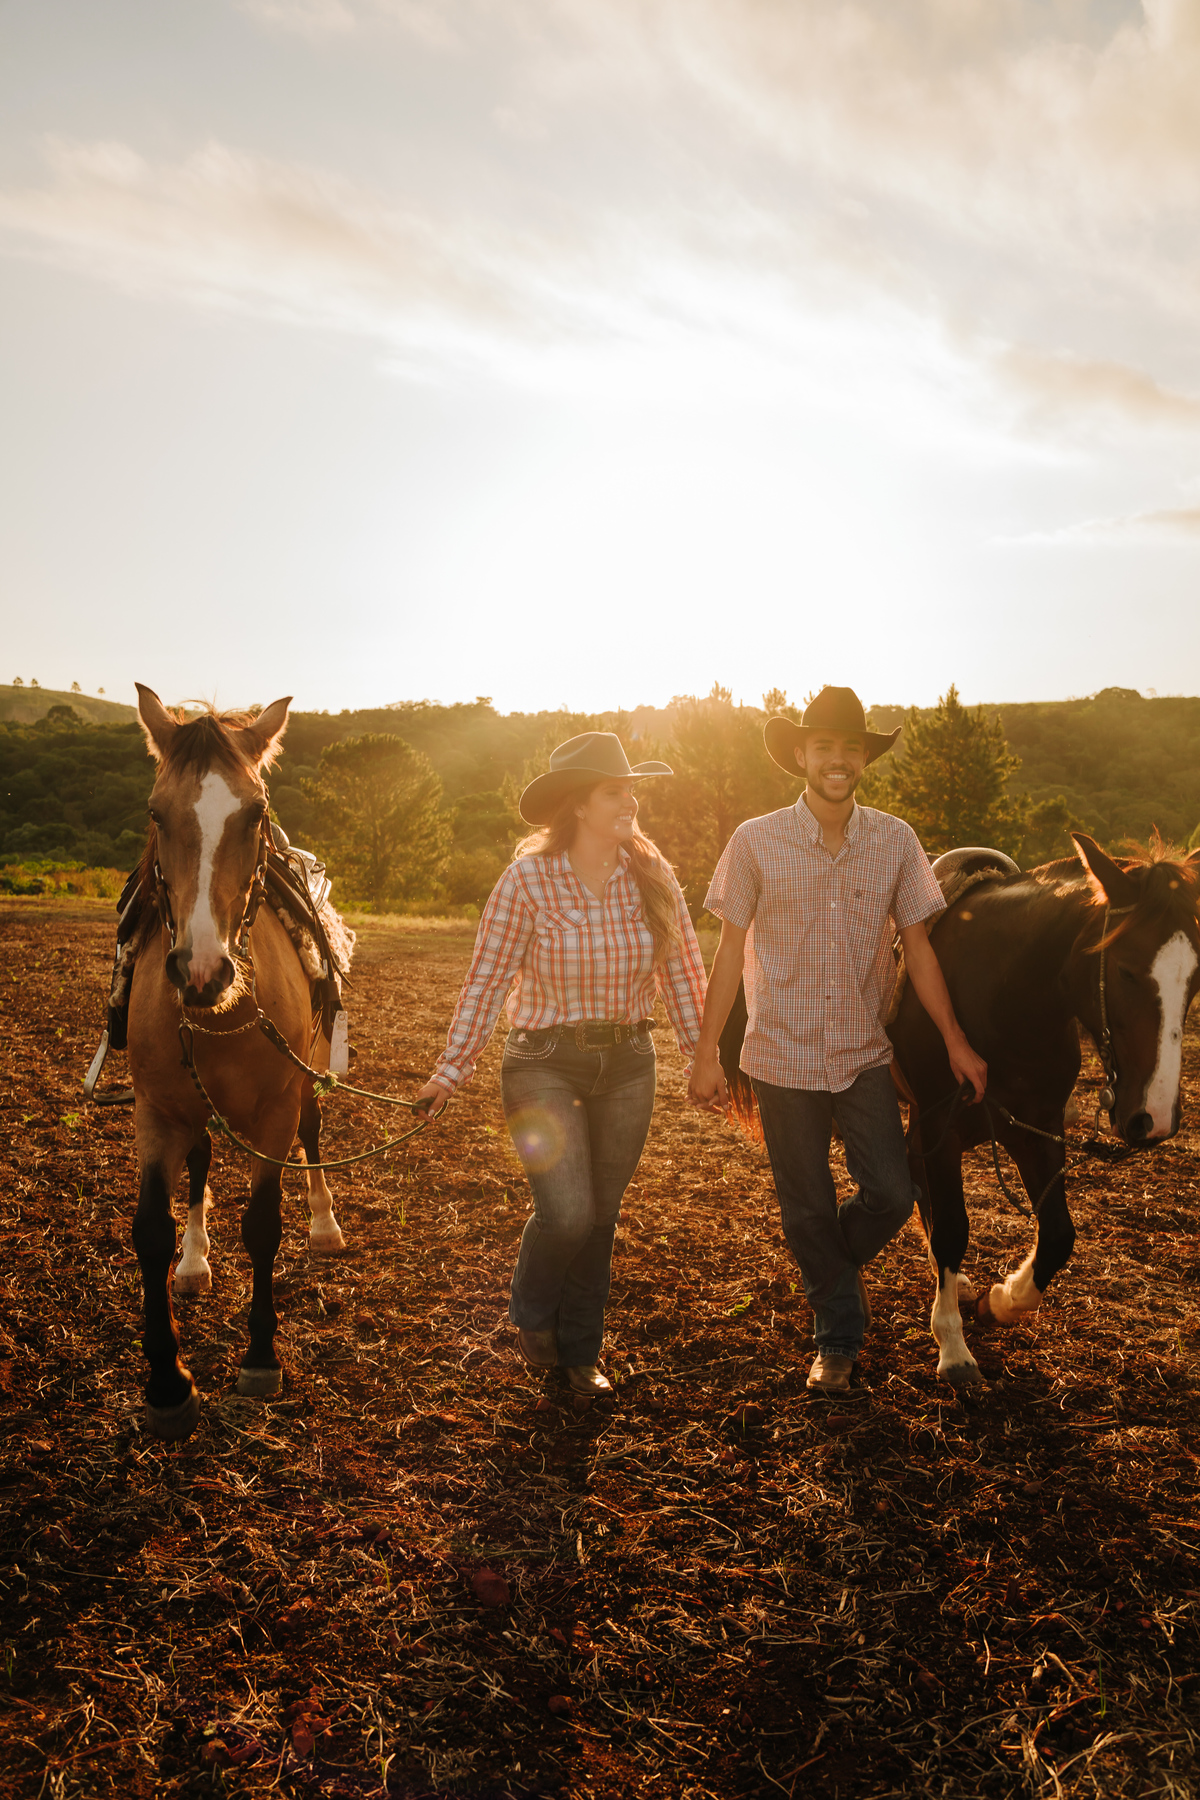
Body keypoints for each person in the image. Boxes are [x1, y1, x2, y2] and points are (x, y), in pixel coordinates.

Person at [687, 686, 987, 1396]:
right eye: (824, 746)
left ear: (864, 759)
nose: (839, 760)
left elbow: (919, 949)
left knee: (890, 1193)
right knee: (806, 1206)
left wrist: (954, 1039)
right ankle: (838, 1340)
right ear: (801, 754)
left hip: (861, 1053)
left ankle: (827, 1265)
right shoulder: (755, 840)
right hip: (778, 1055)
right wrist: (707, 1053)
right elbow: (728, 952)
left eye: (852, 748)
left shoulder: (896, 840)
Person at [413, 732, 708, 1399]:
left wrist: (701, 1058)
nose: (631, 802)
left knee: (601, 1218)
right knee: (569, 1213)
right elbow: (486, 980)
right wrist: (450, 1071)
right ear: (578, 805)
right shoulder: (527, 880)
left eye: (632, 790)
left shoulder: (653, 874)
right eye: (614, 791)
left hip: (629, 1063)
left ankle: (581, 1352)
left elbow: (684, 973)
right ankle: (531, 1309)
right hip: (543, 1062)